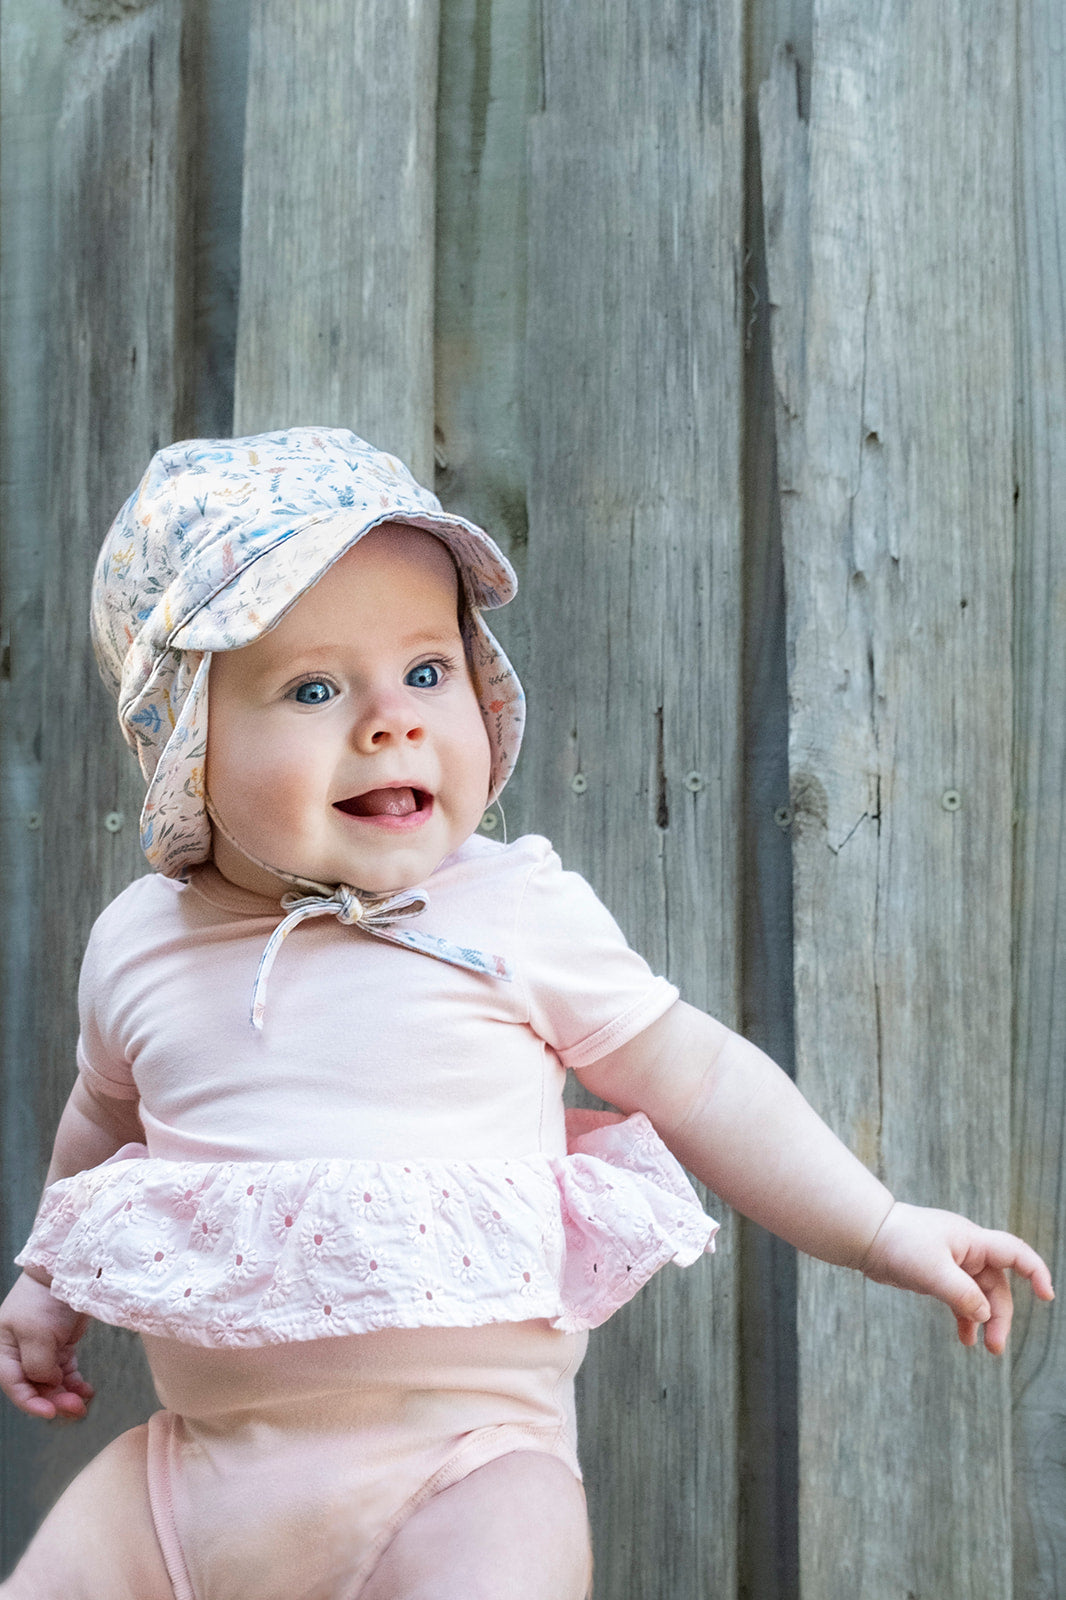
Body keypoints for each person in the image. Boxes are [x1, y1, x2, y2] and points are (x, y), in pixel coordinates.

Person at [0, 428, 1052, 1600]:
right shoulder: (141, 940)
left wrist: (879, 1224)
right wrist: (46, 1280)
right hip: (186, 1488)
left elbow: (703, 1082)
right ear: (185, 742)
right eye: (313, 688)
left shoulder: (514, 911)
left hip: (463, 1471)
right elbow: (103, 1129)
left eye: (426, 670)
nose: (391, 721)